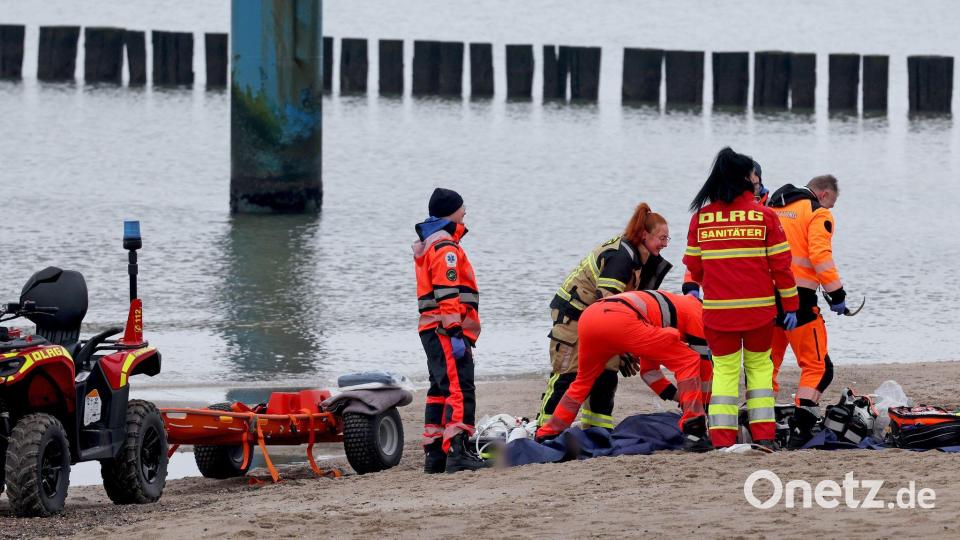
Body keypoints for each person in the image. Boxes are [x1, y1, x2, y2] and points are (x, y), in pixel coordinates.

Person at [683, 147, 799, 449]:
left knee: (724, 372)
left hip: (719, 315)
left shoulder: (701, 219)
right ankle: (763, 437)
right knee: (760, 370)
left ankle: (723, 441)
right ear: (744, 178)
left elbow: (694, 268)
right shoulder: (766, 216)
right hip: (759, 313)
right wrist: (791, 306)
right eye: (751, 174)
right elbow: (782, 270)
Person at [537, 203, 672, 432]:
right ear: (644, 235)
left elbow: (628, 308)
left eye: (668, 239)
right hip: (574, 318)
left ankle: (597, 431)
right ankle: (545, 432)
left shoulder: (641, 256)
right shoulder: (621, 258)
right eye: (662, 238)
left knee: (606, 376)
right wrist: (624, 348)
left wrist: (625, 348)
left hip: (598, 320)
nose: (666, 244)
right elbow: (607, 309)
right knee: (567, 376)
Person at [535, 290, 713, 452]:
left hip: (590, 317)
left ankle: (548, 433)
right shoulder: (699, 314)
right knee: (688, 359)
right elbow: (703, 372)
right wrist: (703, 410)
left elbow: (649, 372)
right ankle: (694, 431)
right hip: (620, 318)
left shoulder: (668, 310)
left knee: (582, 382)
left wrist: (679, 397)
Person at [767, 174, 846, 447]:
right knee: (819, 368)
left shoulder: (772, 206)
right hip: (799, 300)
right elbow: (820, 255)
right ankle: (800, 430)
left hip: (766, 298)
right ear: (823, 195)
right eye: (831, 204)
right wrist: (837, 294)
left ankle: (761, 424)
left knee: (767, 366)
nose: (830, 210)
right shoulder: (816, 212)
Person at [413, 187, 488, 473]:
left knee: (440, 390)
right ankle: (457, 450)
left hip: (432, 329)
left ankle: (435, 453)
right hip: (446, 330)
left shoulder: (432, 243)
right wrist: (455, 331)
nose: (465, 211)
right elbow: (447, 293)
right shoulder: (446, 248)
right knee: (459, 389)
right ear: (450, 212)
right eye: (461, 208)